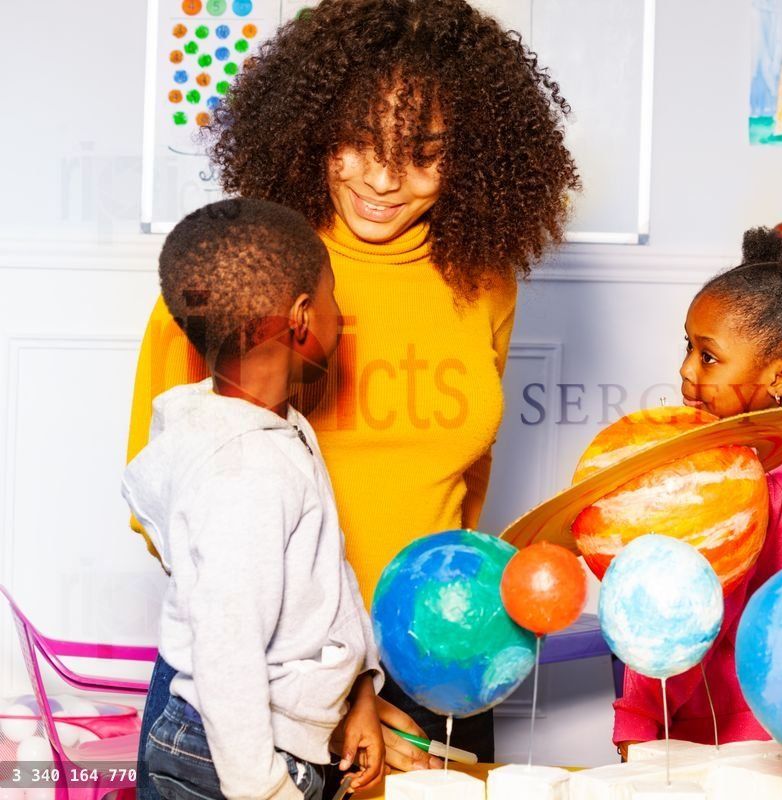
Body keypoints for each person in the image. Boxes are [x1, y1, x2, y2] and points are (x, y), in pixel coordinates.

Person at [127, 0, 579, 790]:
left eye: (422, 152)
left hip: (441, 667)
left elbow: (465, 482)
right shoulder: (245, 269)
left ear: (473, 153)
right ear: (313, 128)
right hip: (266, 687)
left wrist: (416, 666)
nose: (381, 177)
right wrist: (332, 685)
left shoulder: (485, 282)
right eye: (358, 142)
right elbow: (165, 513)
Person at [124, 198, 384, 799]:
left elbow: (325, 581)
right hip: (232, 760)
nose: (339, 312)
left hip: (253, 744)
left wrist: (360, 690)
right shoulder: (246, 471)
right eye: (331, 295)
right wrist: (264, 790)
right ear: (301, 317)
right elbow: (227, 647)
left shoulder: (273, 428)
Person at [614, 227, 782, 752]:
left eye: (708, 357)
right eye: (688, 346)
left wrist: (638, 713)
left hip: (725, 737)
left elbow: (683, 608)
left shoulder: (732, 489)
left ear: (781, 375)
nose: (685, 370)